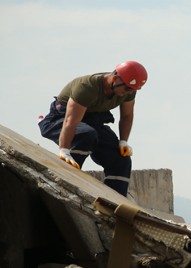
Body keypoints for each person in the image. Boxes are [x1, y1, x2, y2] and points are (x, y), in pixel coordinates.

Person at [38, 60, 148, 197]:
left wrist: (123, 141)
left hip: (92, 121)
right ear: (115, 79)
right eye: (127, 89)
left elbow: (126, 116)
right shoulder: (87, 87)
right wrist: (64, 150)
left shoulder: (128, 91)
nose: (128, 93)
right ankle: (67, 184)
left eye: (132, 90)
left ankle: (114, 200)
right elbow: (70, 121)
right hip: (61, 119)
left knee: (121, 159)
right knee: (86, 135)